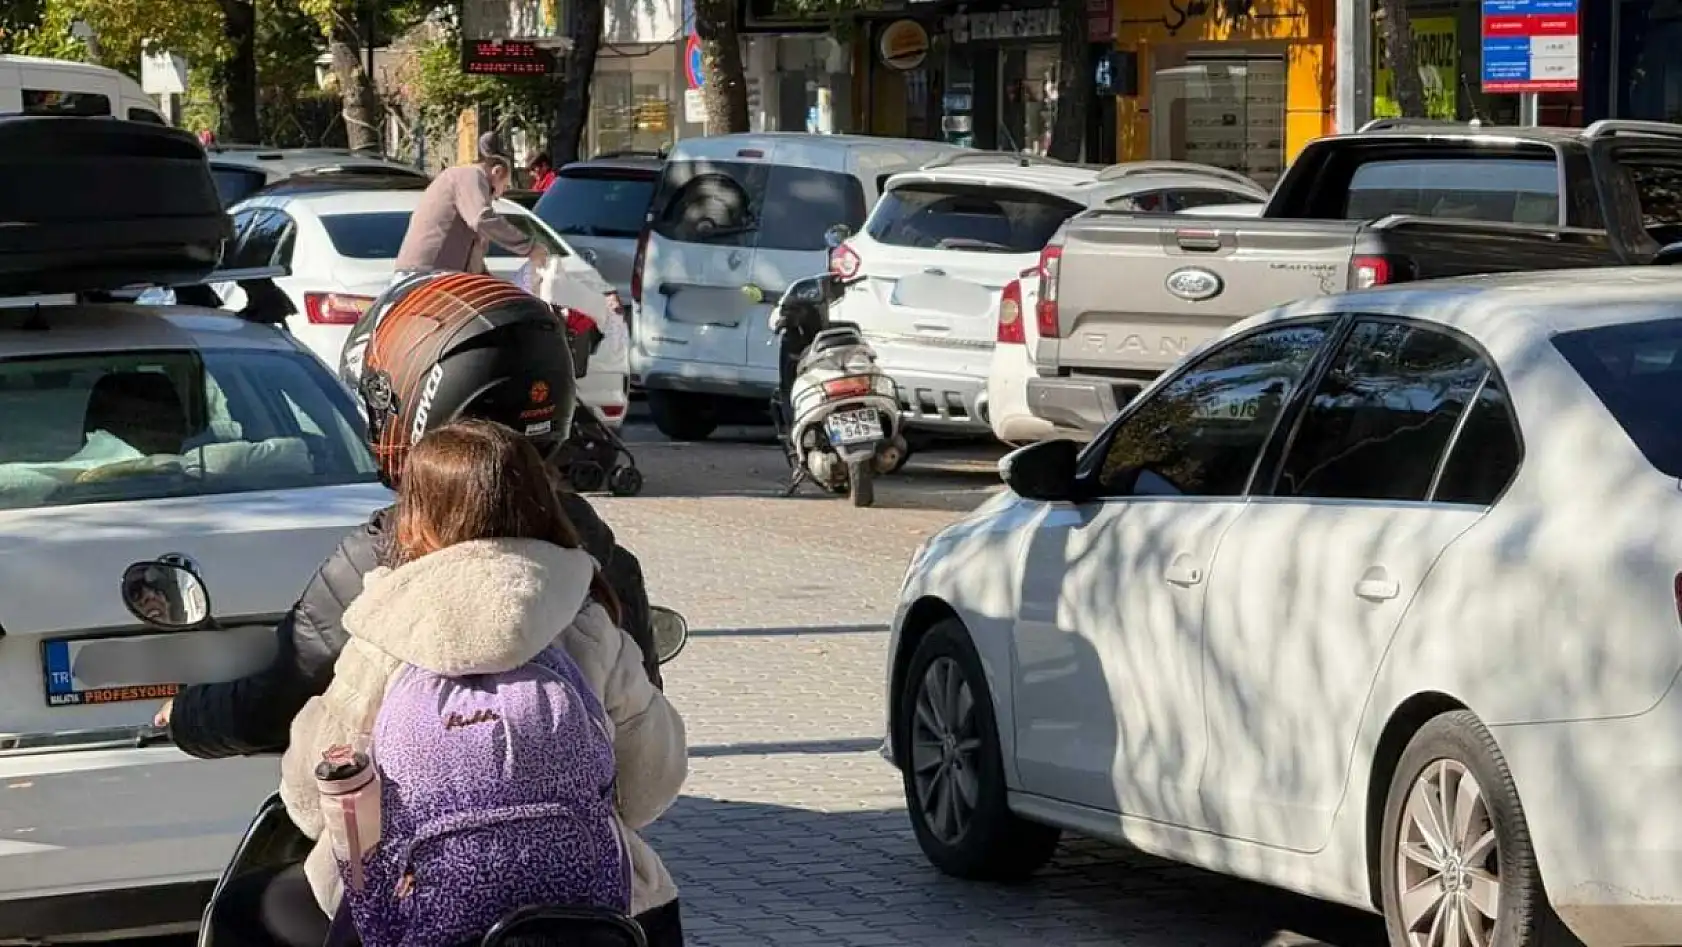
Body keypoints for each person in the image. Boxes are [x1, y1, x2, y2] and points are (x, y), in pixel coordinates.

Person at [155, 270, 662, 766]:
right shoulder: (593, 548)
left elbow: (284, 696)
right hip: (582, 819)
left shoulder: (388, 550)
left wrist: (189, 717)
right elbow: (647, 732)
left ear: (416, 400)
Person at [257, 418, 686, 947]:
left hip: (412, 912)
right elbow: (651, 786)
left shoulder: (384, 636)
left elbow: (310, 799)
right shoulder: (585, 621)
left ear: (415, 520)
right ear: (540, 502)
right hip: (589, 914)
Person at [392, 131, 547, 279]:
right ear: (497, 171)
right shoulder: (471, 175)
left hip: (431, 274)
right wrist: (530, 247)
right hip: (427, 275)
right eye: (504, 187)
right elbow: (483, 219)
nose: (497, 197)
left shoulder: (461, 182)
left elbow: (474, 256)